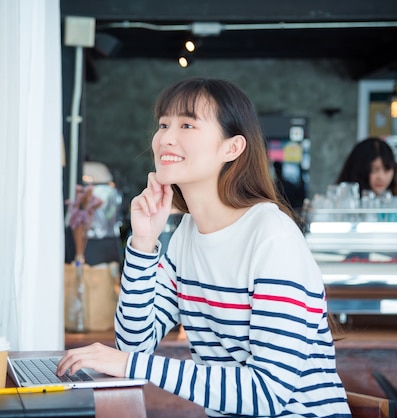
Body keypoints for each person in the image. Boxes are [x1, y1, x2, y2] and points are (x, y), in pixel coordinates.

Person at [58, 78, 351, 417]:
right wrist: (142, 243)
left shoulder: (272, 237)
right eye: (164, 124)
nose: (165, 137)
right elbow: (135, 346)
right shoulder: (186, 234)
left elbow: (267, 394)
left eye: (187, 124)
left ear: (232, 148)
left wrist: (137, 366)